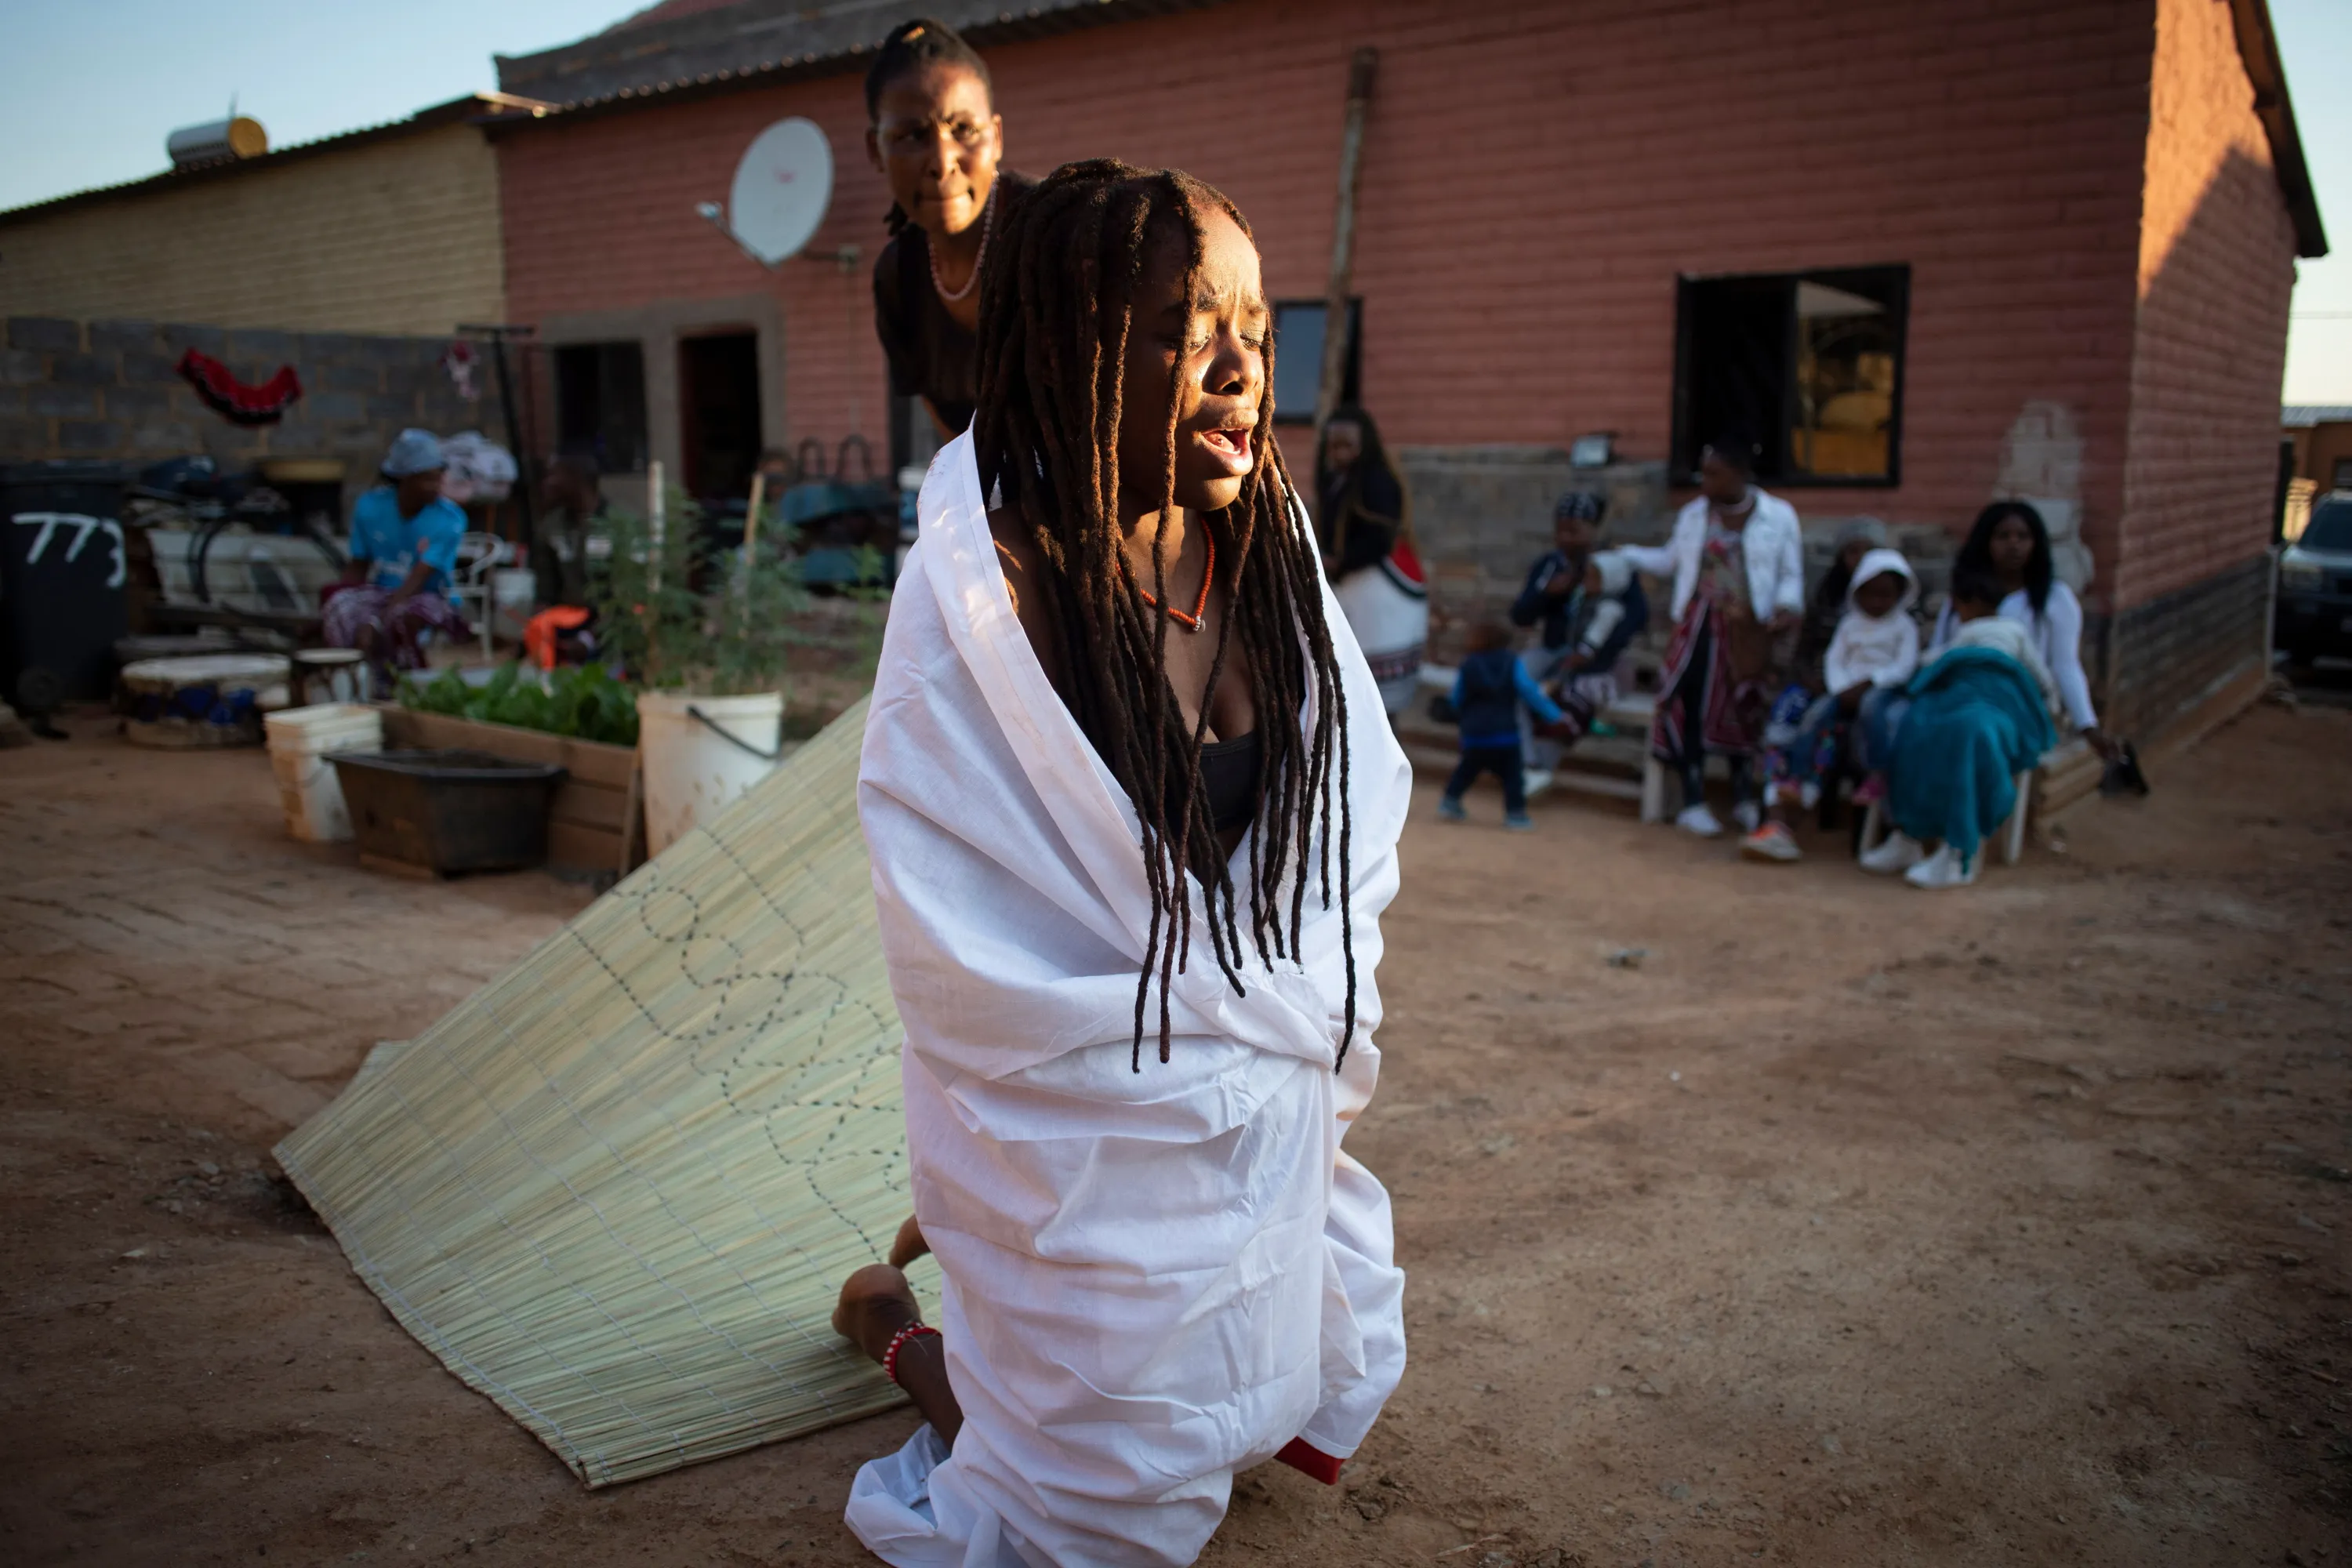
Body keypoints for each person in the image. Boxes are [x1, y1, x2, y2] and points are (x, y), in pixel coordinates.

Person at [838, 160, 1410, 1567]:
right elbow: (971, 941)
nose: (1239, 368)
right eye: (1182, 330)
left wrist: (1257, 1036)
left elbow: (1344, 849)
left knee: (1274, 1388)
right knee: (1084, 1518)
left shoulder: (1267, 560)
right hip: (1085, 1121)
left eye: (1257, 331)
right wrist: (1168, 1075)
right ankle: (897, 1331)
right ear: (1073, 347)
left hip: (1257, 1104)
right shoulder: (993, 595)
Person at [1618, 436, 1806, 838]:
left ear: (1740, 474)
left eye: (1715, 474)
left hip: (1747, 628)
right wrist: (1627, 555)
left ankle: (1743, 798)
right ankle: (1693, 800)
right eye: (1703, 474)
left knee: (1743, 708)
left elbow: (1791, 573)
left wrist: (1786, 605)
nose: (1705, 483)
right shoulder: (1694, 515)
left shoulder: (1778, 516)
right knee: (1688, 702)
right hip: (1698, 625)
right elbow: (1670, 560)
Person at [866, 18, 1034, 439]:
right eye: (911, 136)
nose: (942, 163)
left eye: (964, 130)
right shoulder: (899, 279)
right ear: (875, 151)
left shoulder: (1056, 235)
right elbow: (957, 439)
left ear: (996, 137)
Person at [1862, 566, 2058, 889]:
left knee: (1963, 734)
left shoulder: (1988, 634)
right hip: (1963, 701)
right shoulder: (1990, 633)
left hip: (1994, 701)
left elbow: (1934, 662)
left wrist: (2042, 708)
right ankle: (1909, 836)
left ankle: (1956, 851)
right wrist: (2049, 705)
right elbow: (2043, 680)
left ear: (1965, 604)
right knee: (1915, 729)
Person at [1742, 547, 1918, 862]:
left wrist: (1867, 685)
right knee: (1798, 720)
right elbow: (1831, 660)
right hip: (1834, 691)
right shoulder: (1844, 619)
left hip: (1877, 695)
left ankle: (1795, 818)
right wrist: (1840, 689)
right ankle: (1784, 799)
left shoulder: (1904, 626)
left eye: (1885, 595)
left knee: (1836, 733)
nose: (1877, 602)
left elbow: (1904, 666)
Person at [1926, 500, 2114, 757]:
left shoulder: (2055, 598)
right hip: (1964, 698)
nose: (2013, 545)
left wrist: (2088, 726)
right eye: (2003, 536)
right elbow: (1941, 651)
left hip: (2023, 705)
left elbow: (2066, 666)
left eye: (2023, 537)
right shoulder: (1965, 596)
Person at [1509, 491, 1649, 784]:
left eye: (1574, 531)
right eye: (1560, 531)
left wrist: (1593, 653)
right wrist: (1546, 594)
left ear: (1593, 529)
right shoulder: (1550, 565)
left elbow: (1636, 616)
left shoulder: (1612, 566)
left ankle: (1539, 769)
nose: (1565, 539)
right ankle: (1527, 762)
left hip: (1597, 661)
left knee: (1569, 698)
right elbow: (1521, 616)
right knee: (1513, 682)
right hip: (1552, 650)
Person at [323, 429, 470, 677]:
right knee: (340, 609)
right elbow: (359, 564)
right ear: (405, 479)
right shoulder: (370, 507)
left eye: (438, 478)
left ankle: (401, 680)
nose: (436, 487)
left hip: (429, 596)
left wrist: (375, 622)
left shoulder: (449, 519)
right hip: (381, 591)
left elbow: (418, 579)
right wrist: (342, 598)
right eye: (427, 480)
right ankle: (351, 677)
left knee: (400, 620)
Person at [1314, 406, 1428, 716]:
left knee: (1379, 691)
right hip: (1350, 585)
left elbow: (1380, 538)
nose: (1339, 453)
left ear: (1364, 444)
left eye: (1347, 445)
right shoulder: (1333, 480)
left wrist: (1341, 561)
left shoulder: (1378, 481)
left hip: (1381, 587)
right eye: (1334, 445)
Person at [1439, 621, 1564, 830]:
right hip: (1505, 734)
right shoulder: (1511, 662)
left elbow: (1457, 697)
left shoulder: (1469, 664)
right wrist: (1554, 715)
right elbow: (1529, 691)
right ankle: (1516, 815)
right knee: (1513, 777)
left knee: (1467, 769)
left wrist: (1450, 710)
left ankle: (1450, 801)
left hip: (1475, 733)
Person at [532, 451, 605, 608]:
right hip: (566, 616)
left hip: (609, 617)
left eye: (556, 476)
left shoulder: (618, 525)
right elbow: (545, 587)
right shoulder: (552, 526)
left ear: (578, 480)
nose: (549, 483)